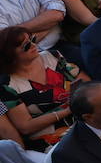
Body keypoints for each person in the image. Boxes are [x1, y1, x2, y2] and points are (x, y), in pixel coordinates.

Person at [0, 24, 88, 152]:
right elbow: (25, 126)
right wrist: (67, 110)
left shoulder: (52, 56)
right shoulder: (6, 85)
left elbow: (85, 80)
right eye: (26, 46)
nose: (34, 45)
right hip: (50, 137)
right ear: (9, 55)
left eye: (33, 39)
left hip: (82, 115)